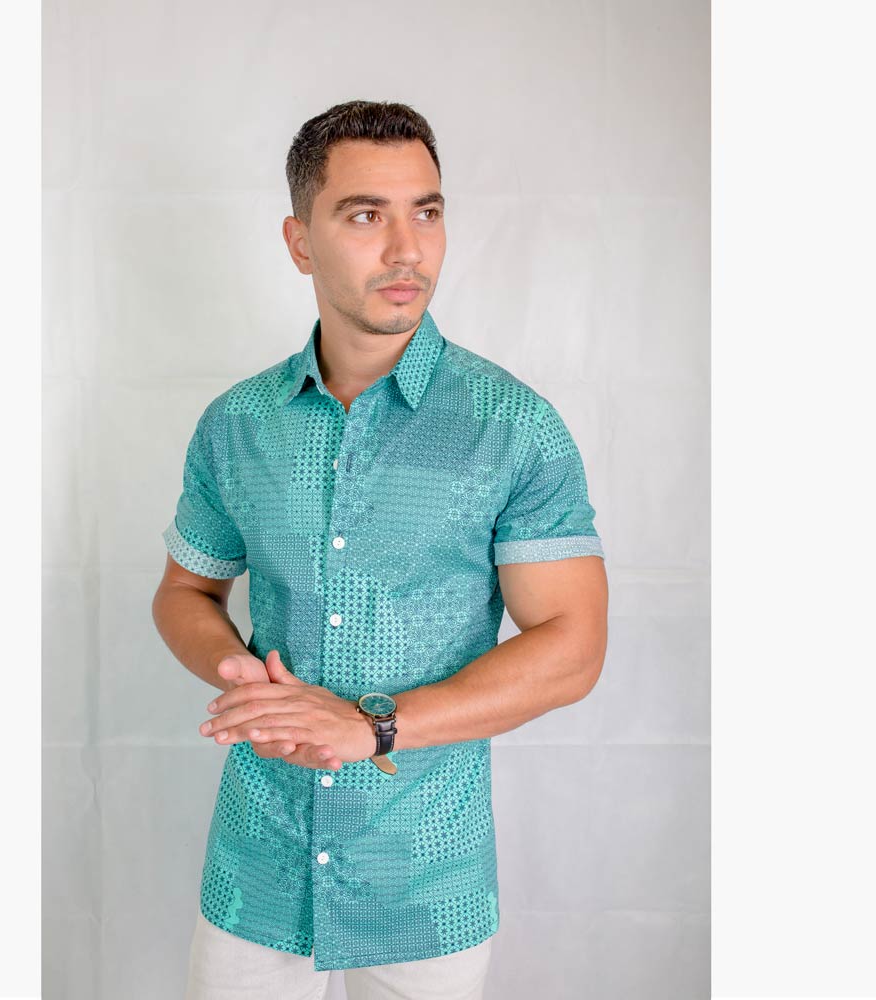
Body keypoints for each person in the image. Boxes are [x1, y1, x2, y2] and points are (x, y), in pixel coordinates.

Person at [151, 99, 609, 1000]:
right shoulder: (237, 425)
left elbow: (573, 647)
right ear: (299, 241)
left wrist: (373, 727)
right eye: (365, 215)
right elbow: (184, 591)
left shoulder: (512, 427)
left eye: (426, 213)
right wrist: (242, 676)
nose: (407, 249)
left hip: (425, 878)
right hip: (257, 867)